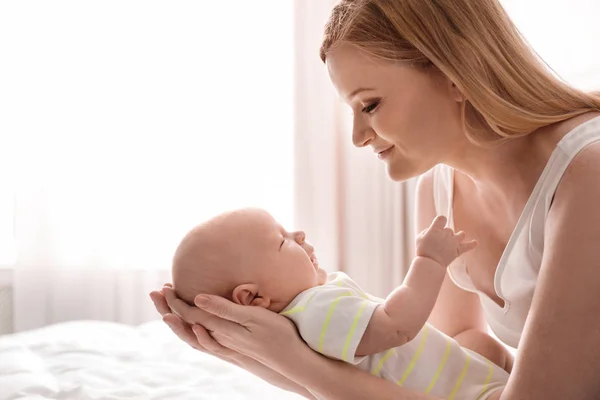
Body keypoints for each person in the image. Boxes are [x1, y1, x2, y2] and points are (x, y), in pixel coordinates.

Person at [150, 0, 600, 398]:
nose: (357, 137)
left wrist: (296, 363)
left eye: (369, 105)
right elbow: (451, 365)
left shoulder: (588, 171)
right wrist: (261, 355)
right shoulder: (440, 190)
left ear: (456, 72)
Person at [170, 207, 510, 400]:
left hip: (457, 379)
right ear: (253, 297)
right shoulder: (316, 311)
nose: (299, 235)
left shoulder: (303, 318)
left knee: (479, 344)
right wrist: (430, 262)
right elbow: (396, 325)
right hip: (468, 396)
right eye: (282, 241)